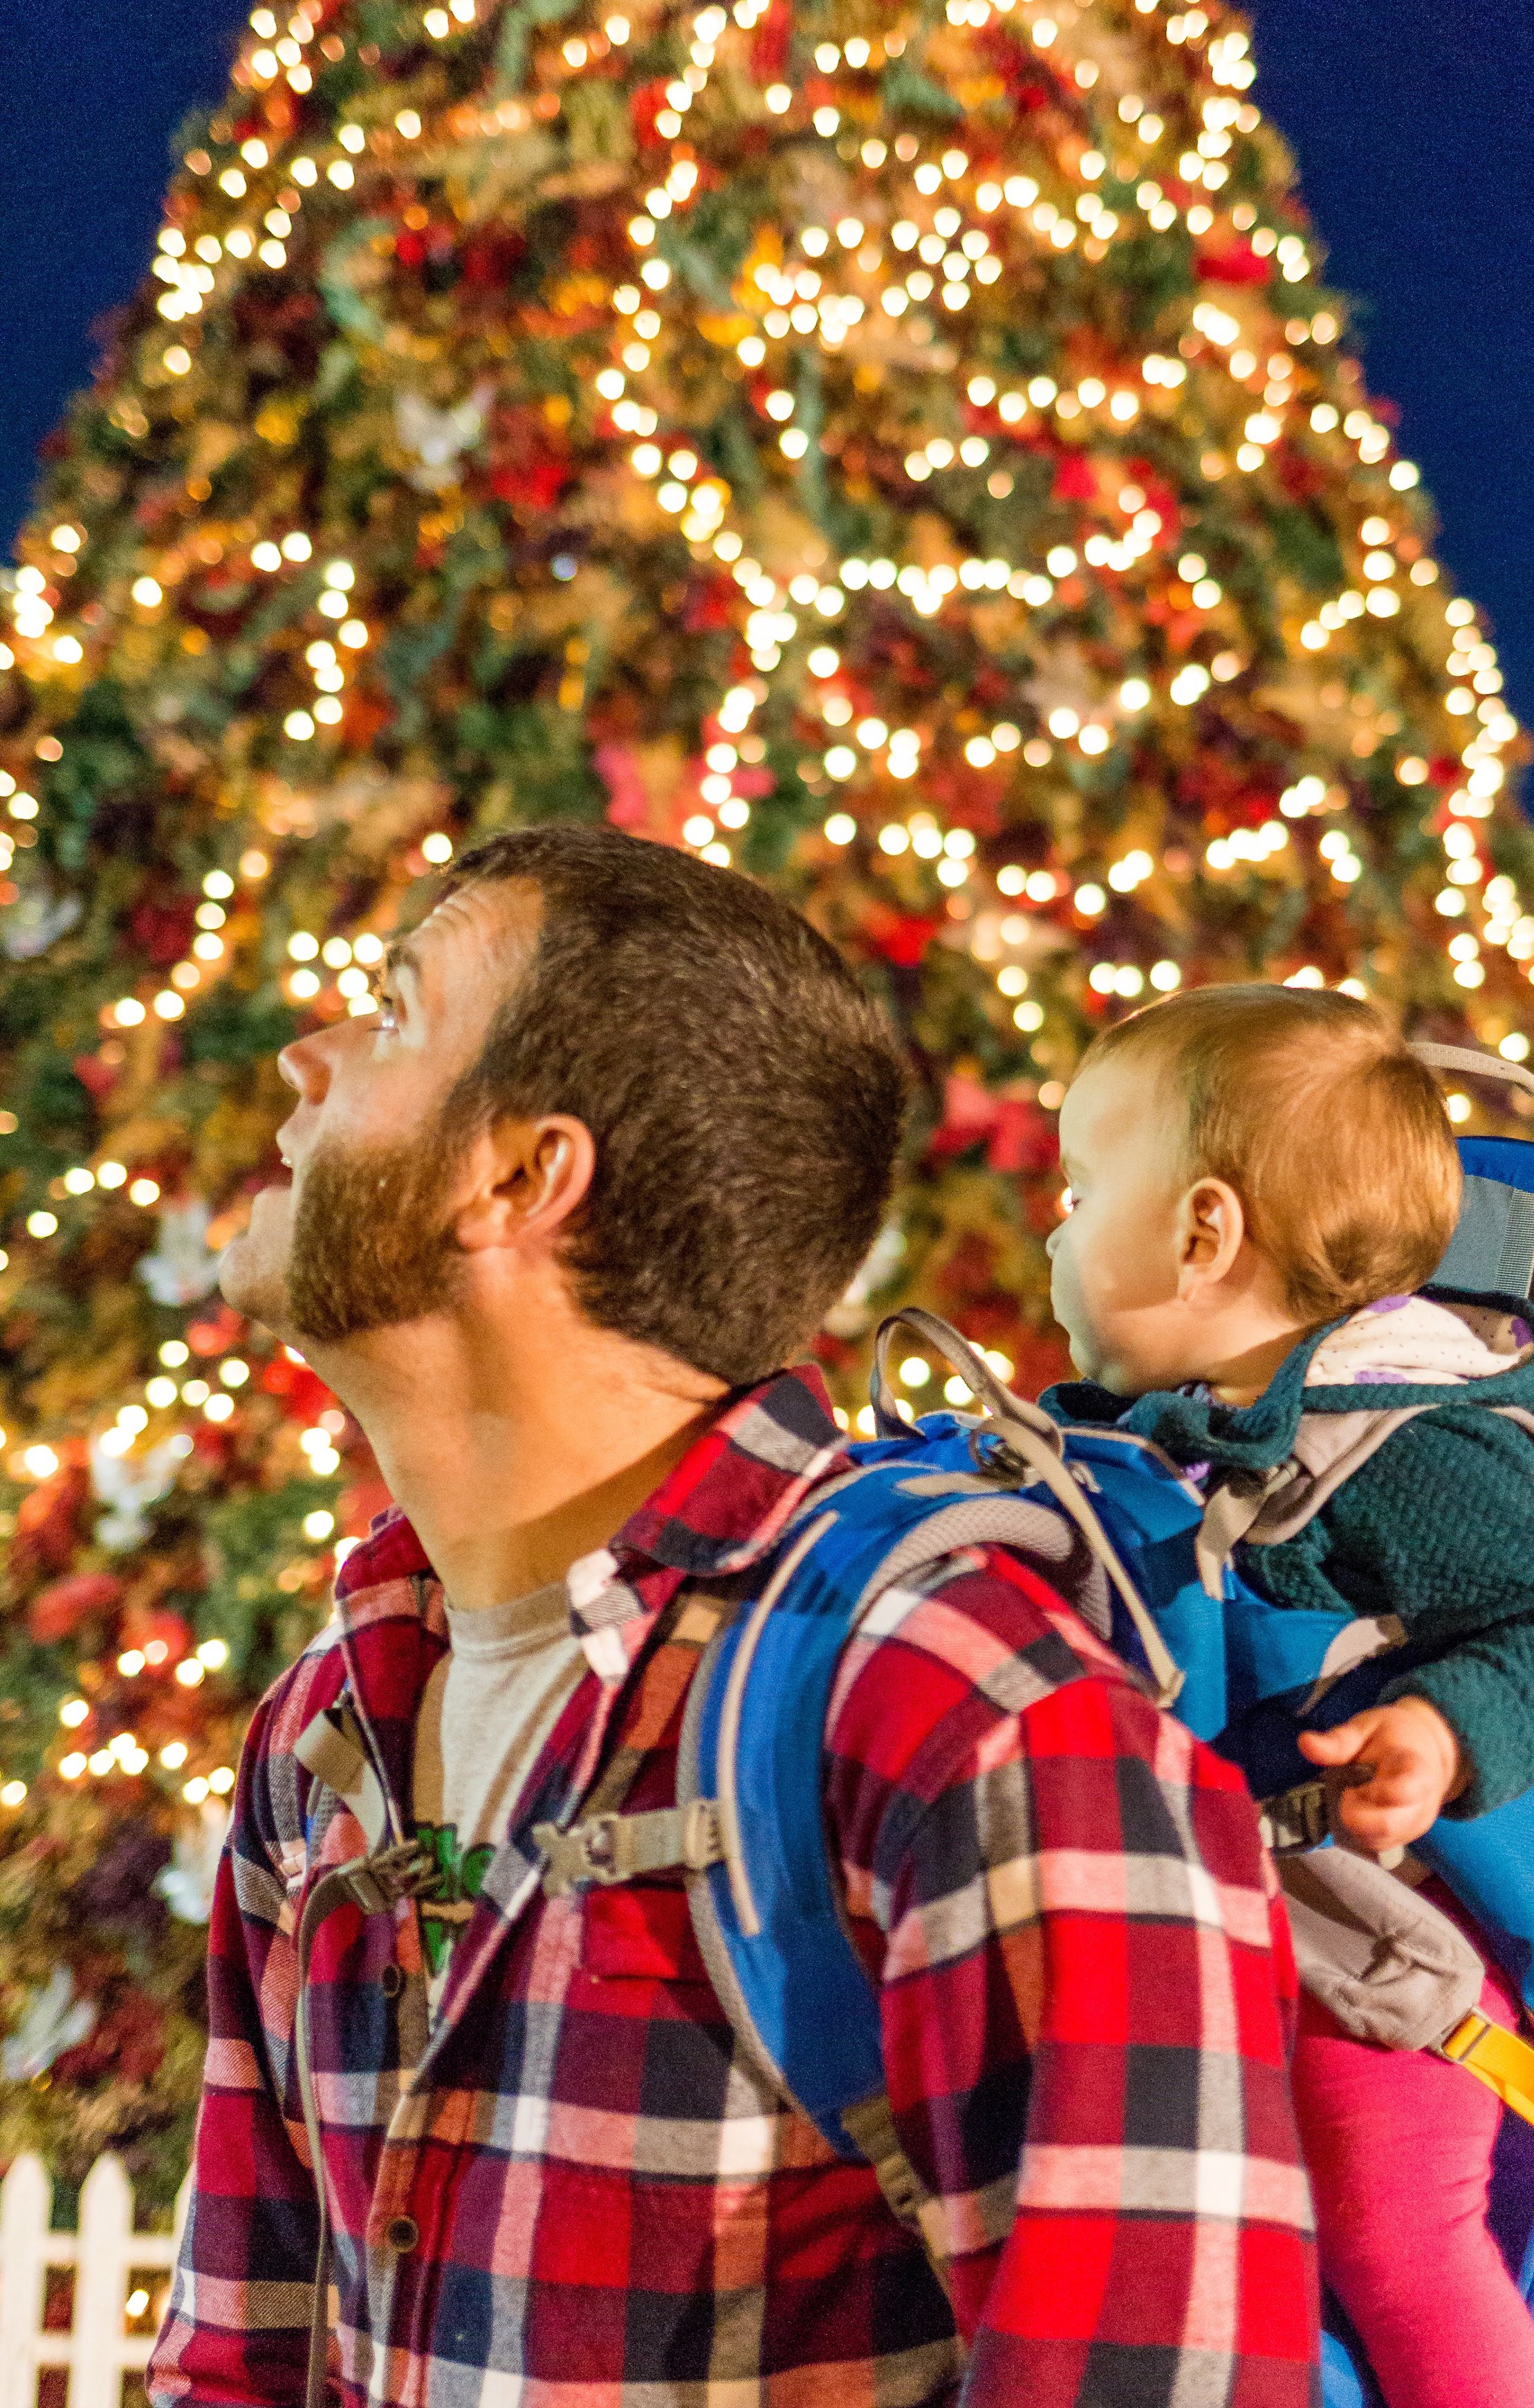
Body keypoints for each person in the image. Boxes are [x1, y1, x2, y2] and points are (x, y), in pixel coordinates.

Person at [150, 823, 1320, 2408]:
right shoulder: (331, 1723)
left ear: (521, 1175)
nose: (304, 1056)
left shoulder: (952, 1709)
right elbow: (240, 2362)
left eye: (394, 1007)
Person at [1039, 981, 1534, 2408]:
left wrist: (1439, 1730)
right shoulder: (1126, 1455)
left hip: (1379, 1957)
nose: (1049, 1227)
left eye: (1076, 1188)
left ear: (1200, 1236)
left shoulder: (1400, 1441)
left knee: (1392, 2228)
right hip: (1216, 1945)